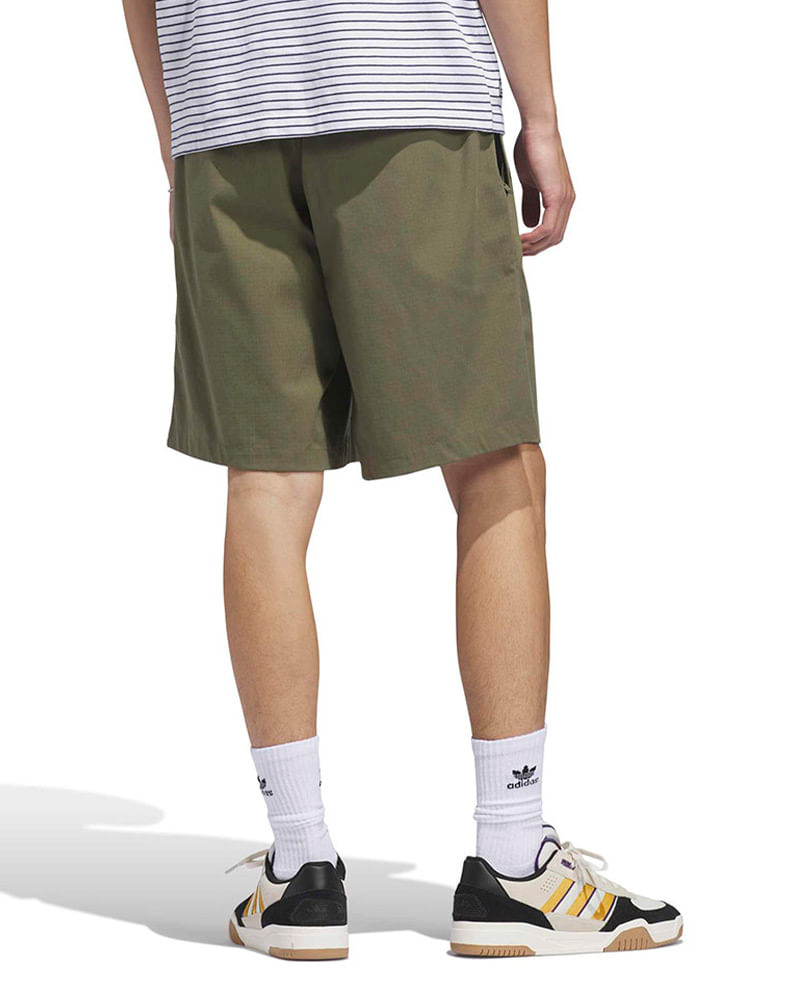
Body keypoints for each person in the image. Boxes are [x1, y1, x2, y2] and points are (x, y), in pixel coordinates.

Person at [123, 0, 681, 960]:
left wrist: (180, 139)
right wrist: (542, 119)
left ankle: (300, 871)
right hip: (406, 94)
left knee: (268, 484)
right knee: (495, 464)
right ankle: (514, 862)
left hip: (228, 120)